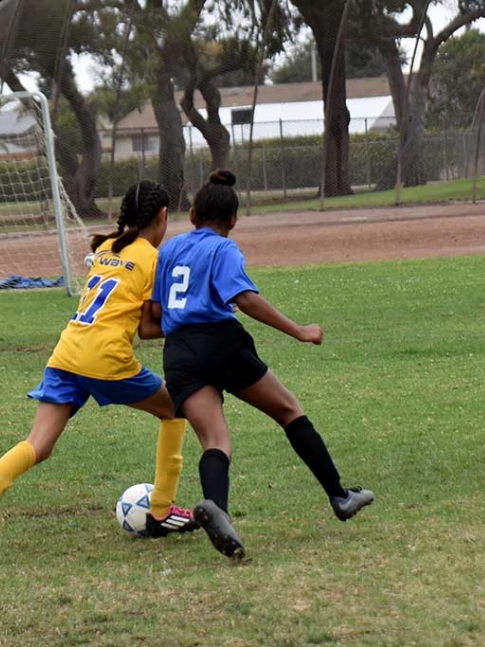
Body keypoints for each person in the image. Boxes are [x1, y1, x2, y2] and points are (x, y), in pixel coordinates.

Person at [0, 180, 199, 568]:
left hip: (67, 352)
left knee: (37, 445)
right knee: (175, 409)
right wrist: (189, 320)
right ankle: (160, 508)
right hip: (105, 357)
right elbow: (147, 328)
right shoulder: (151, 258)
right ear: (162, 217)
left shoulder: (106, 247)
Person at [151, 169, 374, 562]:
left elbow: (151, 316)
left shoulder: (168, 251)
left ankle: (216, 507)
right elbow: (245, 298)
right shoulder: (224, 250)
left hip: (179, 351)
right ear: (233, 221)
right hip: (220, 342)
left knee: (215, 441)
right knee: (288, 410)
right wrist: (300, 330)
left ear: (193, 214)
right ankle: (339, 496)